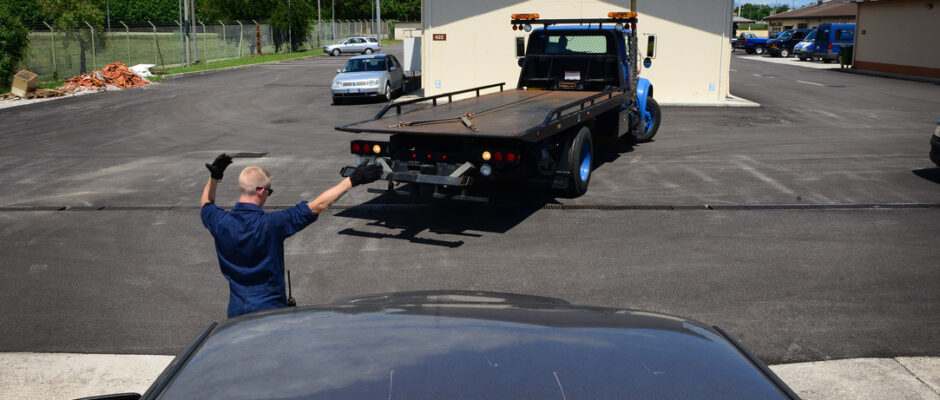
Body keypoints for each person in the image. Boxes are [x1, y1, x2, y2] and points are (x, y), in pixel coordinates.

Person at [200, 154, 382, 318]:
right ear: (261, 191)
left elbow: (206, 204)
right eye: (269, 192)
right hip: (270, 312)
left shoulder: (220, 222)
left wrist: (214, 177)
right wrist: (353, 180)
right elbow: (317, 206)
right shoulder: (271, 224)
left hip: (236, 312)